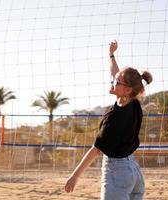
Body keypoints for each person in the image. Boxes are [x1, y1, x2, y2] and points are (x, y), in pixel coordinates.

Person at [64, 40, 152, 200]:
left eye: (116, 82)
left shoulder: (113, 118)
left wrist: (75, 176)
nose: (112, 81)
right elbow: (116, 73)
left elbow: (96, 150)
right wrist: (111, 55)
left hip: (117, 173)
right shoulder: (133, 101)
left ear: (126, 90)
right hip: (133, 172)